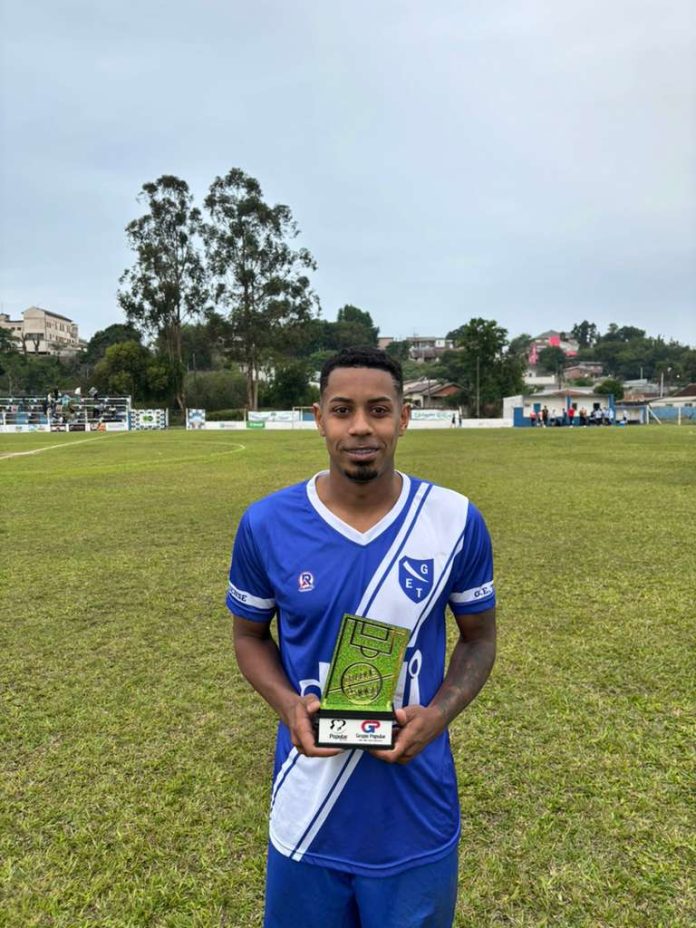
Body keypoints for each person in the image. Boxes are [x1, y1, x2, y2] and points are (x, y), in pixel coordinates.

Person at [227, 346, 497, 928]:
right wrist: (288, 705)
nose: (360, 428)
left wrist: (438, 714)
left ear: (404, 417)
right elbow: (249, 636)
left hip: (415, 810)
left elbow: (479, 640)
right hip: (306, 810)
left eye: (378, 410)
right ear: (318, 417)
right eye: (342, 410)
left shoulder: (454, 520)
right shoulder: (266, 523)